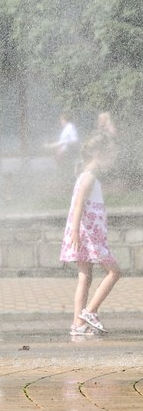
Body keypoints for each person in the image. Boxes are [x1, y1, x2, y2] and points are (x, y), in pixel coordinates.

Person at [60, 133, 121, 336]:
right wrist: (76, 232)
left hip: (85, 234)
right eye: (110, 156)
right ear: (99, 154)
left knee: (84, 278)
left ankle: (77, 324)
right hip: (89, 236)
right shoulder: (89, 178)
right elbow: (78, 206)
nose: (111, 161)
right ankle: (91, 311)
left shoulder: (83, 176)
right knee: (114, 272)